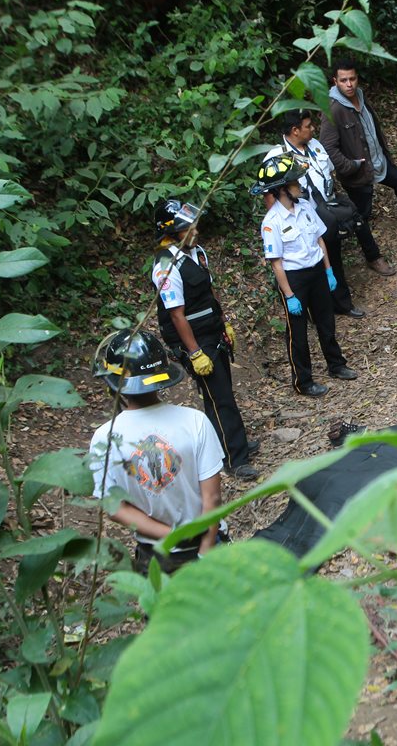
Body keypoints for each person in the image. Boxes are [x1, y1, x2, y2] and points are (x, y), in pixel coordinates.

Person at [88, 329, 226, 574]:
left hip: (157, 554)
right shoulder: (195, 421)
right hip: (209, 543)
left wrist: (173, 535)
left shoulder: (105, 438)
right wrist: (205, 548)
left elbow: (114, 507)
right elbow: (212, 498)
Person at [151, 199, 259, 480]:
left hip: (212, 331)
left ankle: (232, 441)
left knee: (223, 391)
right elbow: (176, 314)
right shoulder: (166, 266)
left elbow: (209, 294)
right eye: (189, 227)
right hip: (194, 338)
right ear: (172, 232)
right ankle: (235, 459)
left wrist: (224, 324)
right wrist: (194, 352)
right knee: (218, 396)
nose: (195, 231)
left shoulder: (196, 254)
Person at [264, 110, 397, 319]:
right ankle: (316, 309)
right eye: (308, 126)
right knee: (310, 264)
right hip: (298, 218)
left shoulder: (315, 145)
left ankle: (341, 302)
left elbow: (328, 173)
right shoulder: (276, 157)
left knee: (333, 254)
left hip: (325, 208)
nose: (313, 129)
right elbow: (270, 194)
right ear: (295, 130)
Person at [253, 153, 358, 398]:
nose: (300, 186)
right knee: (297, 333)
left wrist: (329, 270)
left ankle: (337, 365)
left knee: (326, 322)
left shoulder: (306, 207)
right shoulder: (272, 222)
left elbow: (319, 240)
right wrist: (289, 295)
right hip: (294, 280)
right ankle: (303, 381)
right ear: (282, 190)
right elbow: (276, 263)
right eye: (295, 183)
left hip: (316, 273)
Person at [319, 58, 397, 239]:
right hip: (358, 172)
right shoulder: (332, 110)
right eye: (343, 80)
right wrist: (350, 166)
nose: (349, 84)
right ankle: (372, 256)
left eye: (352, 79)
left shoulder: (360, 96)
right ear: (335, 81)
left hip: (378, 161)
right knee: (362, 215)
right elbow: (327, 147)